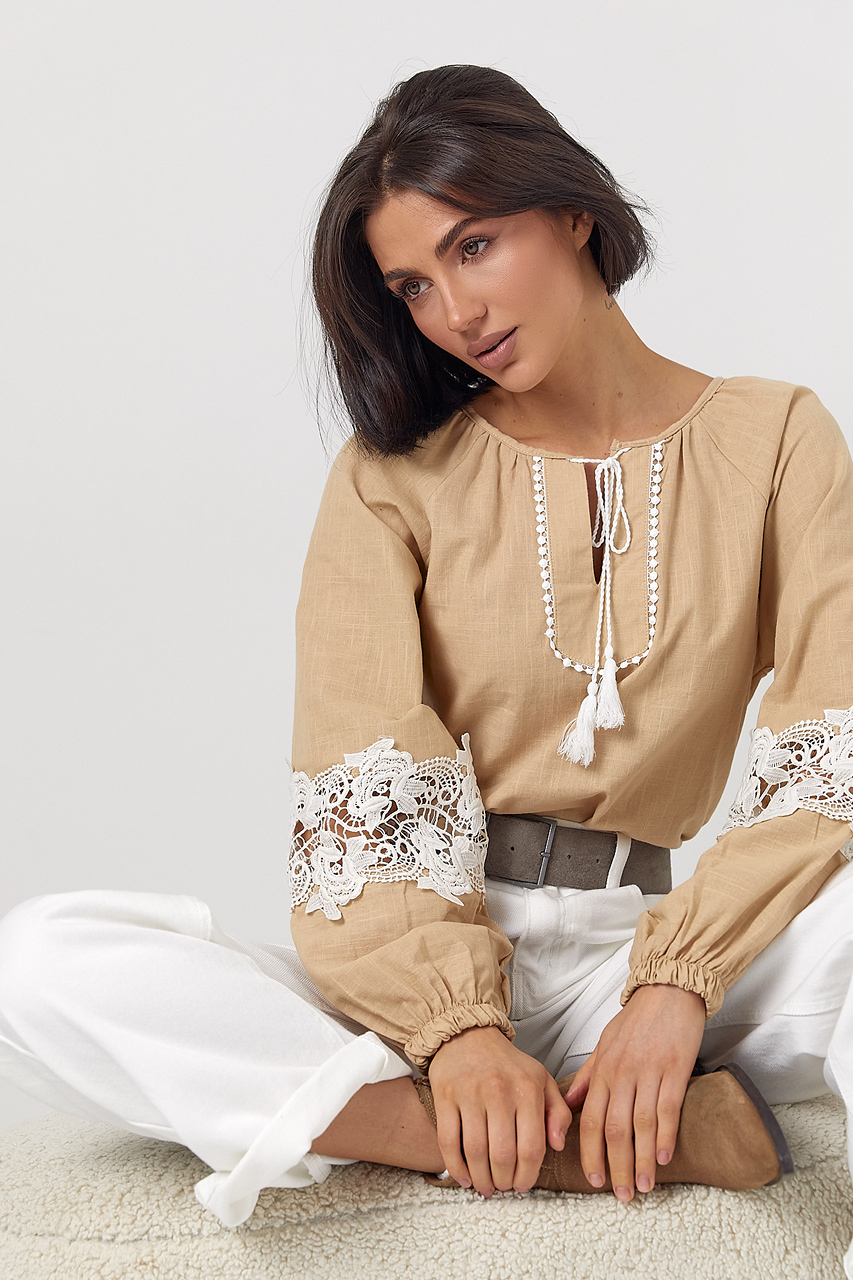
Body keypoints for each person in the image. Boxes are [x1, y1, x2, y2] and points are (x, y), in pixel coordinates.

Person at [1, 63, 852, 1273]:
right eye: (411, 285)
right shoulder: (389, 478)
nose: (452, 310)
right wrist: (456, 1030)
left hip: (653, 952)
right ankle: (537, 1144)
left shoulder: (776, 439)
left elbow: (830, 738)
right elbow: (364, 774)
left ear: (571, 212)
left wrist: (676, 982)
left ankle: (552, 1107)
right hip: (429, 969)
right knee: (38, 960)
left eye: (473, 247)